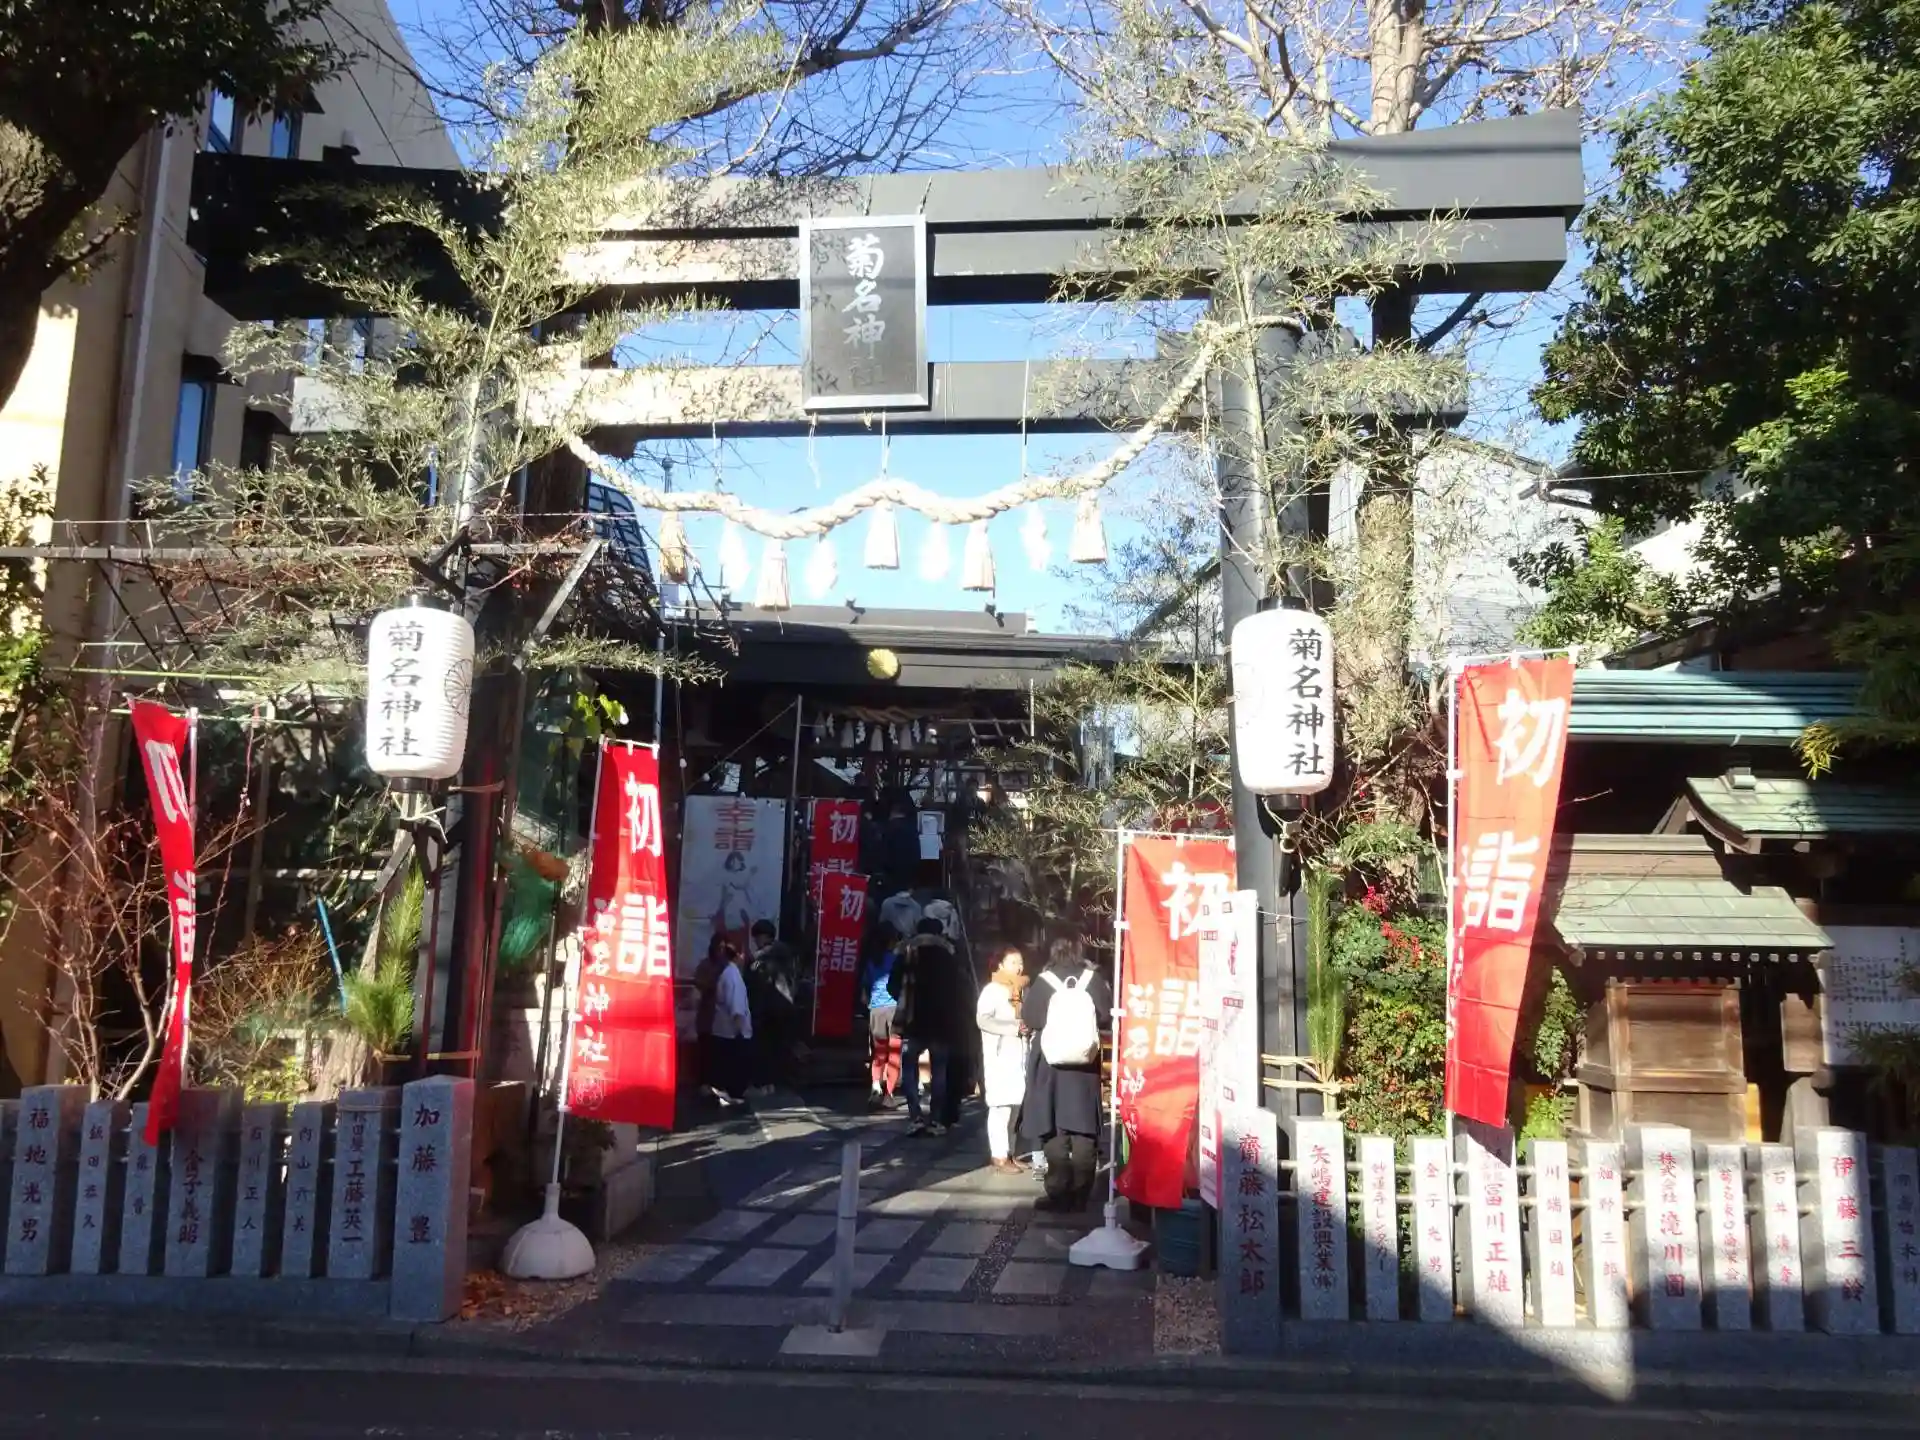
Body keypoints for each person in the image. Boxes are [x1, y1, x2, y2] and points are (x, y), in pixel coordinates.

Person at [1020, 936, 1112, 1211]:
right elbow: (1106, 1016)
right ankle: (1081, 1192)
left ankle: (1058, 1191)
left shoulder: (1044, 981)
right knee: (1084, 1127)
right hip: (1084, 1064)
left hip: (1050, 1064)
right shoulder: (1092, 979)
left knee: (1054, 1126)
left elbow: (1031, 1018)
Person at [889, 917, 962, 1136]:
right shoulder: (948, 954)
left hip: (912, 1019)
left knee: (909, 1067)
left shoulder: (906, 952)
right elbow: (957, 987)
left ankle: (915, 1116)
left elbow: (892, 984)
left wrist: (904, 998)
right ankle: (937, 1119)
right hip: (942, 1021)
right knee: (939, 1070)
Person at [975, 947, 1030, 1172]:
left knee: (1015, 1108)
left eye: (1020, 962)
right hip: (1000, 1054)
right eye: (1013, 962)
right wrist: (1014, 1027)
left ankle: (1010, 1152)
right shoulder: (992, 990)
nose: (1019, 967)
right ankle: (999, 1155)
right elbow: (983, 1020)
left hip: (1020, 1054)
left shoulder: (1023, 989)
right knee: (1001, 1108)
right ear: (1001, 965)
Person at [745, 919, 799, 1096]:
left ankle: (764, 1083)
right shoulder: (785, 953)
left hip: (770, 1009)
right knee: (775, 1048)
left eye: (757, 938)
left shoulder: (769, 954)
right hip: (783, 1008)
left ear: (765, 936)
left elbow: (753, 968)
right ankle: (771, 1083)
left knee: (764, 1048)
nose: (756, 942)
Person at [706, 939, 753, 1107]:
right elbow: (736, 1007)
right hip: (733, 1031)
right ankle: (733, 1095)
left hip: (723, 1029)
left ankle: (726, 1093)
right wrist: (740, 1031)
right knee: (734, 1067)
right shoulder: (733, 976)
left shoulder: (727, 973)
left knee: (724, 1065)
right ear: (740, 955)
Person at [861, 927, 903, 1108]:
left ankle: (875, 1086)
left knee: (879, 1053)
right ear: (892, 941)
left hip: (876, 1010)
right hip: (894, 1009)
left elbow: (864, 989)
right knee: (894, 1054)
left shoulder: (872, 961)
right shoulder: (897, 960)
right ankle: (889, 1093)